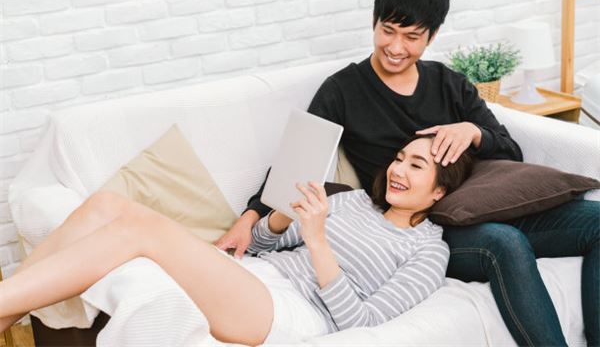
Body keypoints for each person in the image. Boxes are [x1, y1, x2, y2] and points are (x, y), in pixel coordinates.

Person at [216, 0, 600, 346]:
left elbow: (509, 150)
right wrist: (251, 216)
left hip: (480, 204)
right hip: (425, 226)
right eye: (388, 31)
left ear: (432, 36)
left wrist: (472, 131)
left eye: (412, 37)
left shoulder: (448, 83)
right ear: (374, 21)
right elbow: (301, 155)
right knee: (506, 243)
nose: (396, 47)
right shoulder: (344, 90)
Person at [0, 135, 472, 344]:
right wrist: (282, 218)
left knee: (139, 229)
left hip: (293, 313)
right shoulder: (352, 201)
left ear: (440, 190)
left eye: (416, 165)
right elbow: (262, 247)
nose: (398, 169)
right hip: (255, 276)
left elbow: (363, 323)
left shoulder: (428, 250)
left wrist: (319, 243)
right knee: (106, 205)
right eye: (399, 158)